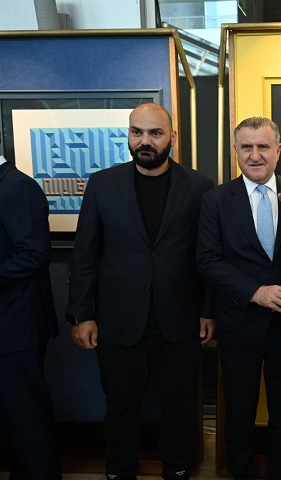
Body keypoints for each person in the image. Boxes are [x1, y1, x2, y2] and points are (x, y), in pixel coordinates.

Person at [66, 103, 215, 480]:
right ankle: (119, 473)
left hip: (180, 321)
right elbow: (85, 254)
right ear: (129, 135)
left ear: (172, 137)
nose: (145, 141)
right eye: (137, 132)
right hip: (117, 322)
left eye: (155, 133)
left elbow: (208, 256)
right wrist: (82, 314)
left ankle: (177, 471)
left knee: (180, 409)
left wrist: (208, 309)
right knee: (120, 410)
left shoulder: (199, 186)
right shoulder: (102, 184)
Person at [196, 117, 281, 480]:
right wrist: (255, 292)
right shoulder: (215, 200)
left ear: (278, 150)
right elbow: (207, 260)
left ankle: (279, 473)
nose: (255, 155)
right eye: (246, 147)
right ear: (236, 151)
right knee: (239, 414)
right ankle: (241, 473)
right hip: (238, 325)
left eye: (263, 146)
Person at [0, 107, 61, 479]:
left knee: (27, 421)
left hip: (15, 329)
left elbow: (33, 255)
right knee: (4, 422)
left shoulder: (18, 187)